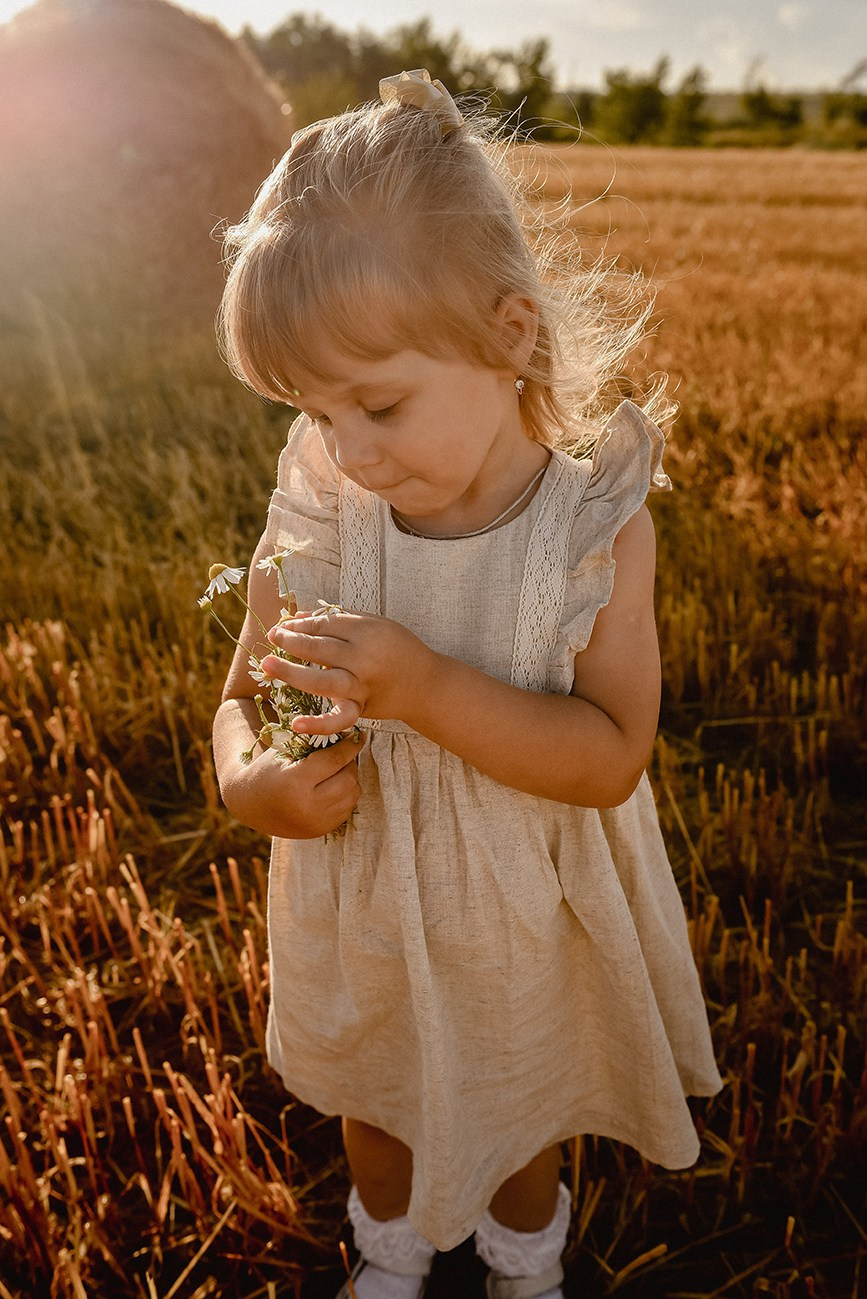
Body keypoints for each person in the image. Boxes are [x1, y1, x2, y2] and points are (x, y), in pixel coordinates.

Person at [213, 69, 721, 1299]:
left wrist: (426, 688)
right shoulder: (328, 510)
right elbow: (239, 699)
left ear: (508, 334)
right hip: (366, 899)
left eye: (376, 403)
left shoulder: (589, 531)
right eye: (315, 413)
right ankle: (388, 1255)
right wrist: (253, 784)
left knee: (518, 1105)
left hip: (518, 913)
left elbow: (609, 758)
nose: (348, 449)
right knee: (372, 1092)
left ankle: (521, 1263)